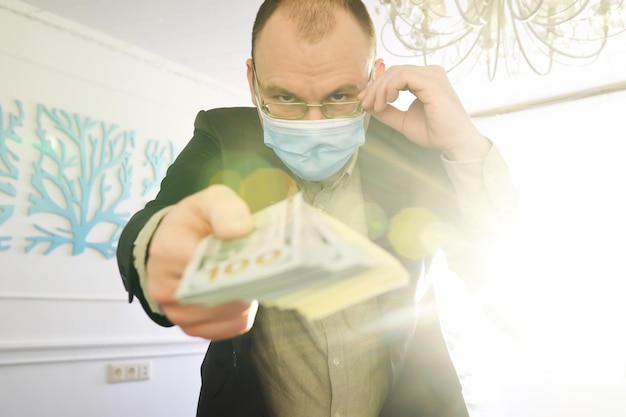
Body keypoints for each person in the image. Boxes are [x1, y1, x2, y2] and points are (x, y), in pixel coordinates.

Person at [116, 0, 517, 416]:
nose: (312, 124)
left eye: (341, 96)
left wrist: (464, 147)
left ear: (375, 79)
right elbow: (153, 221)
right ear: (253, 82)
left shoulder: (413, 151)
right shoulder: (223, 135)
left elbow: (511, 304)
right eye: (284, 97)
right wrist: (160, 250)